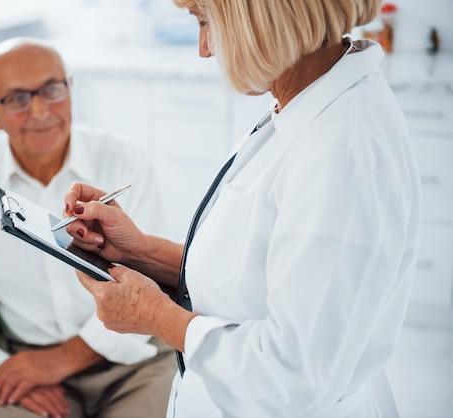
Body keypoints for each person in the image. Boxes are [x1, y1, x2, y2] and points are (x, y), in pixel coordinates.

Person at [61, 0, 421, 417]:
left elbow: (292, 376)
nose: (205, 49)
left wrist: (155, 316)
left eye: (205, 21)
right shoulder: (306, 103)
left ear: (259, 15)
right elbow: (254, 275)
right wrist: (138, 252)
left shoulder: (343, 153)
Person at [0, 37, 176, 418]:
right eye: (16, 98)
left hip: (135, 358)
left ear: (70, 88)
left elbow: (156, 278)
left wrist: (63, 359)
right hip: (28, 369)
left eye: (50, 90)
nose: (40, 111)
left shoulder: (124, 160)